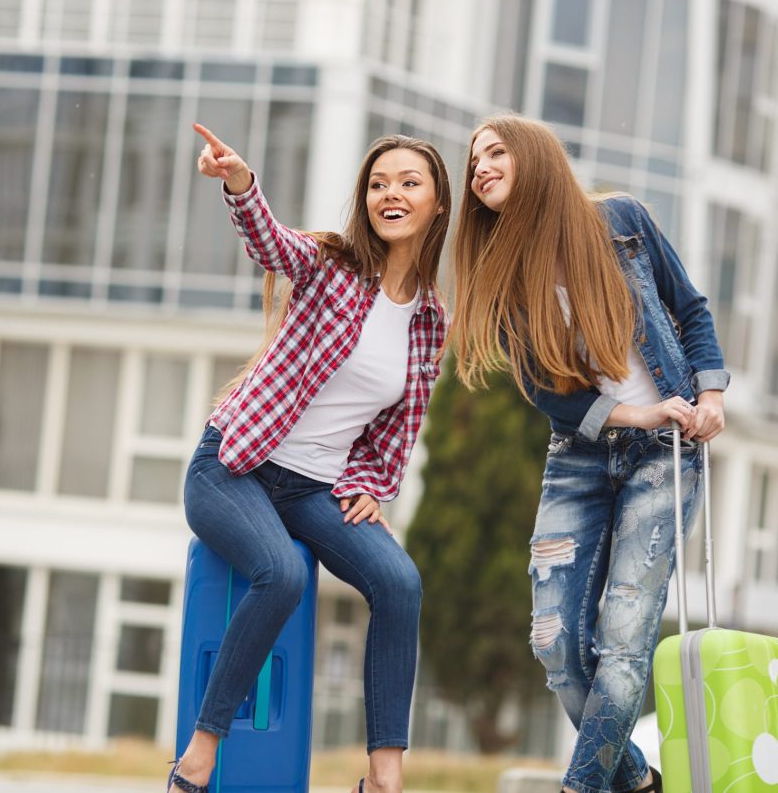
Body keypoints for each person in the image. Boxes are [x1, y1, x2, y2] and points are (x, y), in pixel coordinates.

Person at [446, 114, 728, 793]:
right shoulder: (501, 273)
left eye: (495, 151)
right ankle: (633, 782)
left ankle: (581, 787)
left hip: (666, 450)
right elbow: (553, 396)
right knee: (554, 643)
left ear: (535, 156)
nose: (480, 167)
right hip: (579, 455)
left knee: (625, 637)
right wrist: (635, 411)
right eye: (474, 160)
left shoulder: (622, 220)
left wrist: (710, 395)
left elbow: (690, 311)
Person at [168, 123, 451, 793]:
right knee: (282, 575)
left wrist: (372, 485)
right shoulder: (331, 265)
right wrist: (240, 183)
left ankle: (383, 773)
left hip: (313, 491)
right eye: (379, 183)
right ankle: (199, 755)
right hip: (233, 469)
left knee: (400, 582)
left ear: (437, 205)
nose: (391, 194)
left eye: (409, 183)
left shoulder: (431, 319)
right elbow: (271, 242)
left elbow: (399, 423)